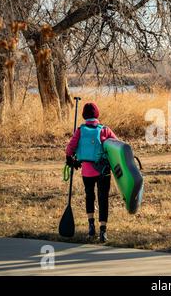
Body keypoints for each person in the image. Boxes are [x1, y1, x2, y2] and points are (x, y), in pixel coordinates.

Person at [65, 102, 117, 242]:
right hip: (103, 171)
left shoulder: (80, 131)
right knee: (103, 199)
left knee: (89, 196)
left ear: (83, 116)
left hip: (87, 172)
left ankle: (91, 227)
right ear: (97, 114)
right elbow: (117, 146)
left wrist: (70, 159)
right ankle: (103, 231)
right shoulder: (105, 130)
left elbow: (69, 149)